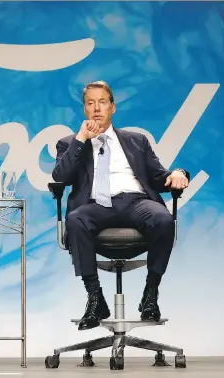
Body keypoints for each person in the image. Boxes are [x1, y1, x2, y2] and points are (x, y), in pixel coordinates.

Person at [52, 81, 188, 331]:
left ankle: (150, 294)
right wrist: (82, 139)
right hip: (95, 205)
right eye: (90, 103)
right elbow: (61, 177)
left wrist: (178, 173)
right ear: (84, 109)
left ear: (112, 107)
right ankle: (95, 298)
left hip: (136, 201)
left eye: (102, 102)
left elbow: (159, 176)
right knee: (76, 219)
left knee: (162, 218)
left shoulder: (137, 140)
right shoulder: (70, 143)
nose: (96, 108)